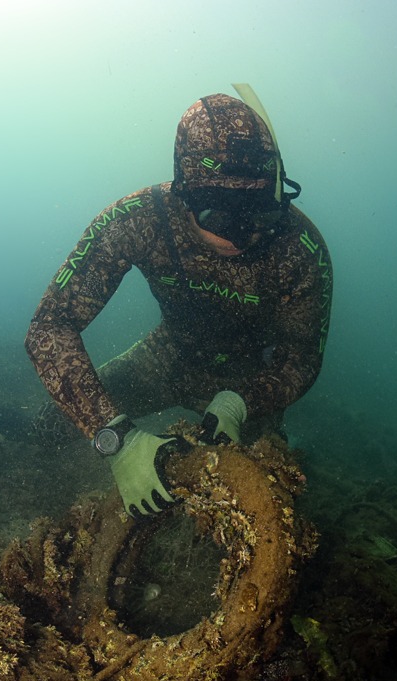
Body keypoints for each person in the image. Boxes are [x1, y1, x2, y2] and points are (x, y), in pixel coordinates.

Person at [25, 87, 333, 517]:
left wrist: (240, 401)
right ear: (183, 191)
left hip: (250, 383)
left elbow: (302, 356)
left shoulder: (299, 248)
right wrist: (115, 437)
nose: (239, 236)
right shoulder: (138, 220)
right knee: (51, 424)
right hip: (166, 358)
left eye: (257, 213)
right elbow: (49, 325)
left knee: (271, 500)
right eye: (219, 216)